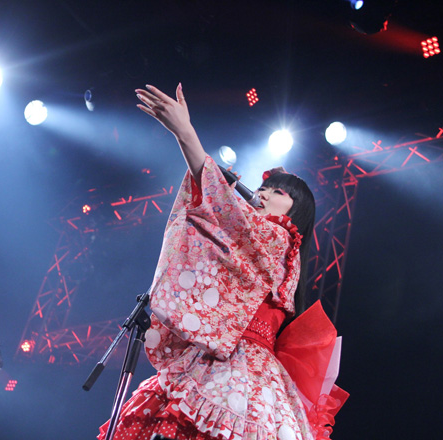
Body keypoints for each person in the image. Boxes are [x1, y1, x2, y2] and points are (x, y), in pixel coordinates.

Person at [98, 84, 347, 440]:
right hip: (217, 356)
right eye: (263, 189)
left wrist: (185, 133)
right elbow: (220, 224)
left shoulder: (280, 239)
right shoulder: (254, 242)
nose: (262, 194)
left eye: (278, 192)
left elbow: (223, 209)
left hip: (244, 371)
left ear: (299, 214)